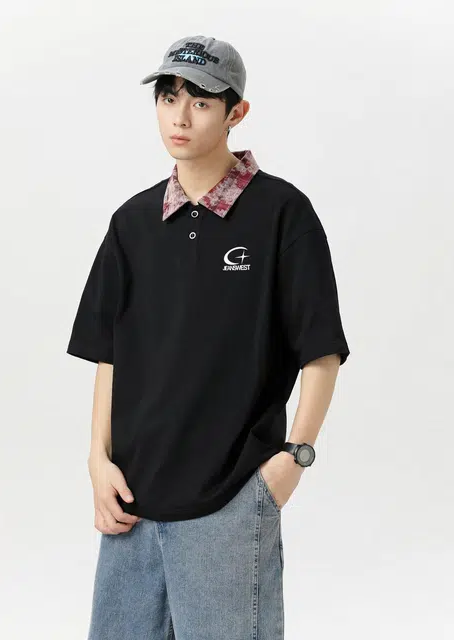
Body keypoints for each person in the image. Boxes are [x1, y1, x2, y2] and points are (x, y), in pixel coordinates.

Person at [66, 34, 350, 640]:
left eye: (200, 101)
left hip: (230, 499)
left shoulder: (282, 213)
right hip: (132, 501)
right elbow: (109, 354)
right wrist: (97, 458)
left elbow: (321, 351)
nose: (180, 116)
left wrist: (293, 460)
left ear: (235, 112)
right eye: (169, 98)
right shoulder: (133, 223)